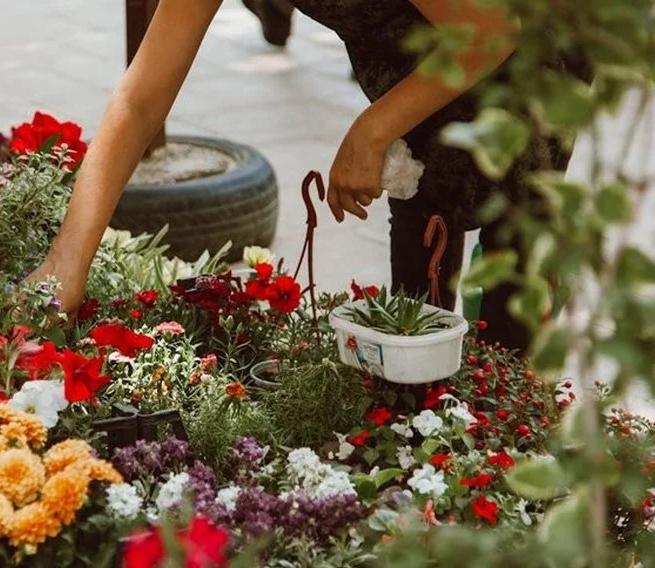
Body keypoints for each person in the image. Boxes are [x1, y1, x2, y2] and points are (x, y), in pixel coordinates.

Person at [28, 0, 577, 354]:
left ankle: (513, 483)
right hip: (414, 56)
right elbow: (140, 98)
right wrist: (64, 265)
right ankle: (423, 431)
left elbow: (492, 32)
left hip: (524, 57)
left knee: (514, 273)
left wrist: (371, 131)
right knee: (419, 239)